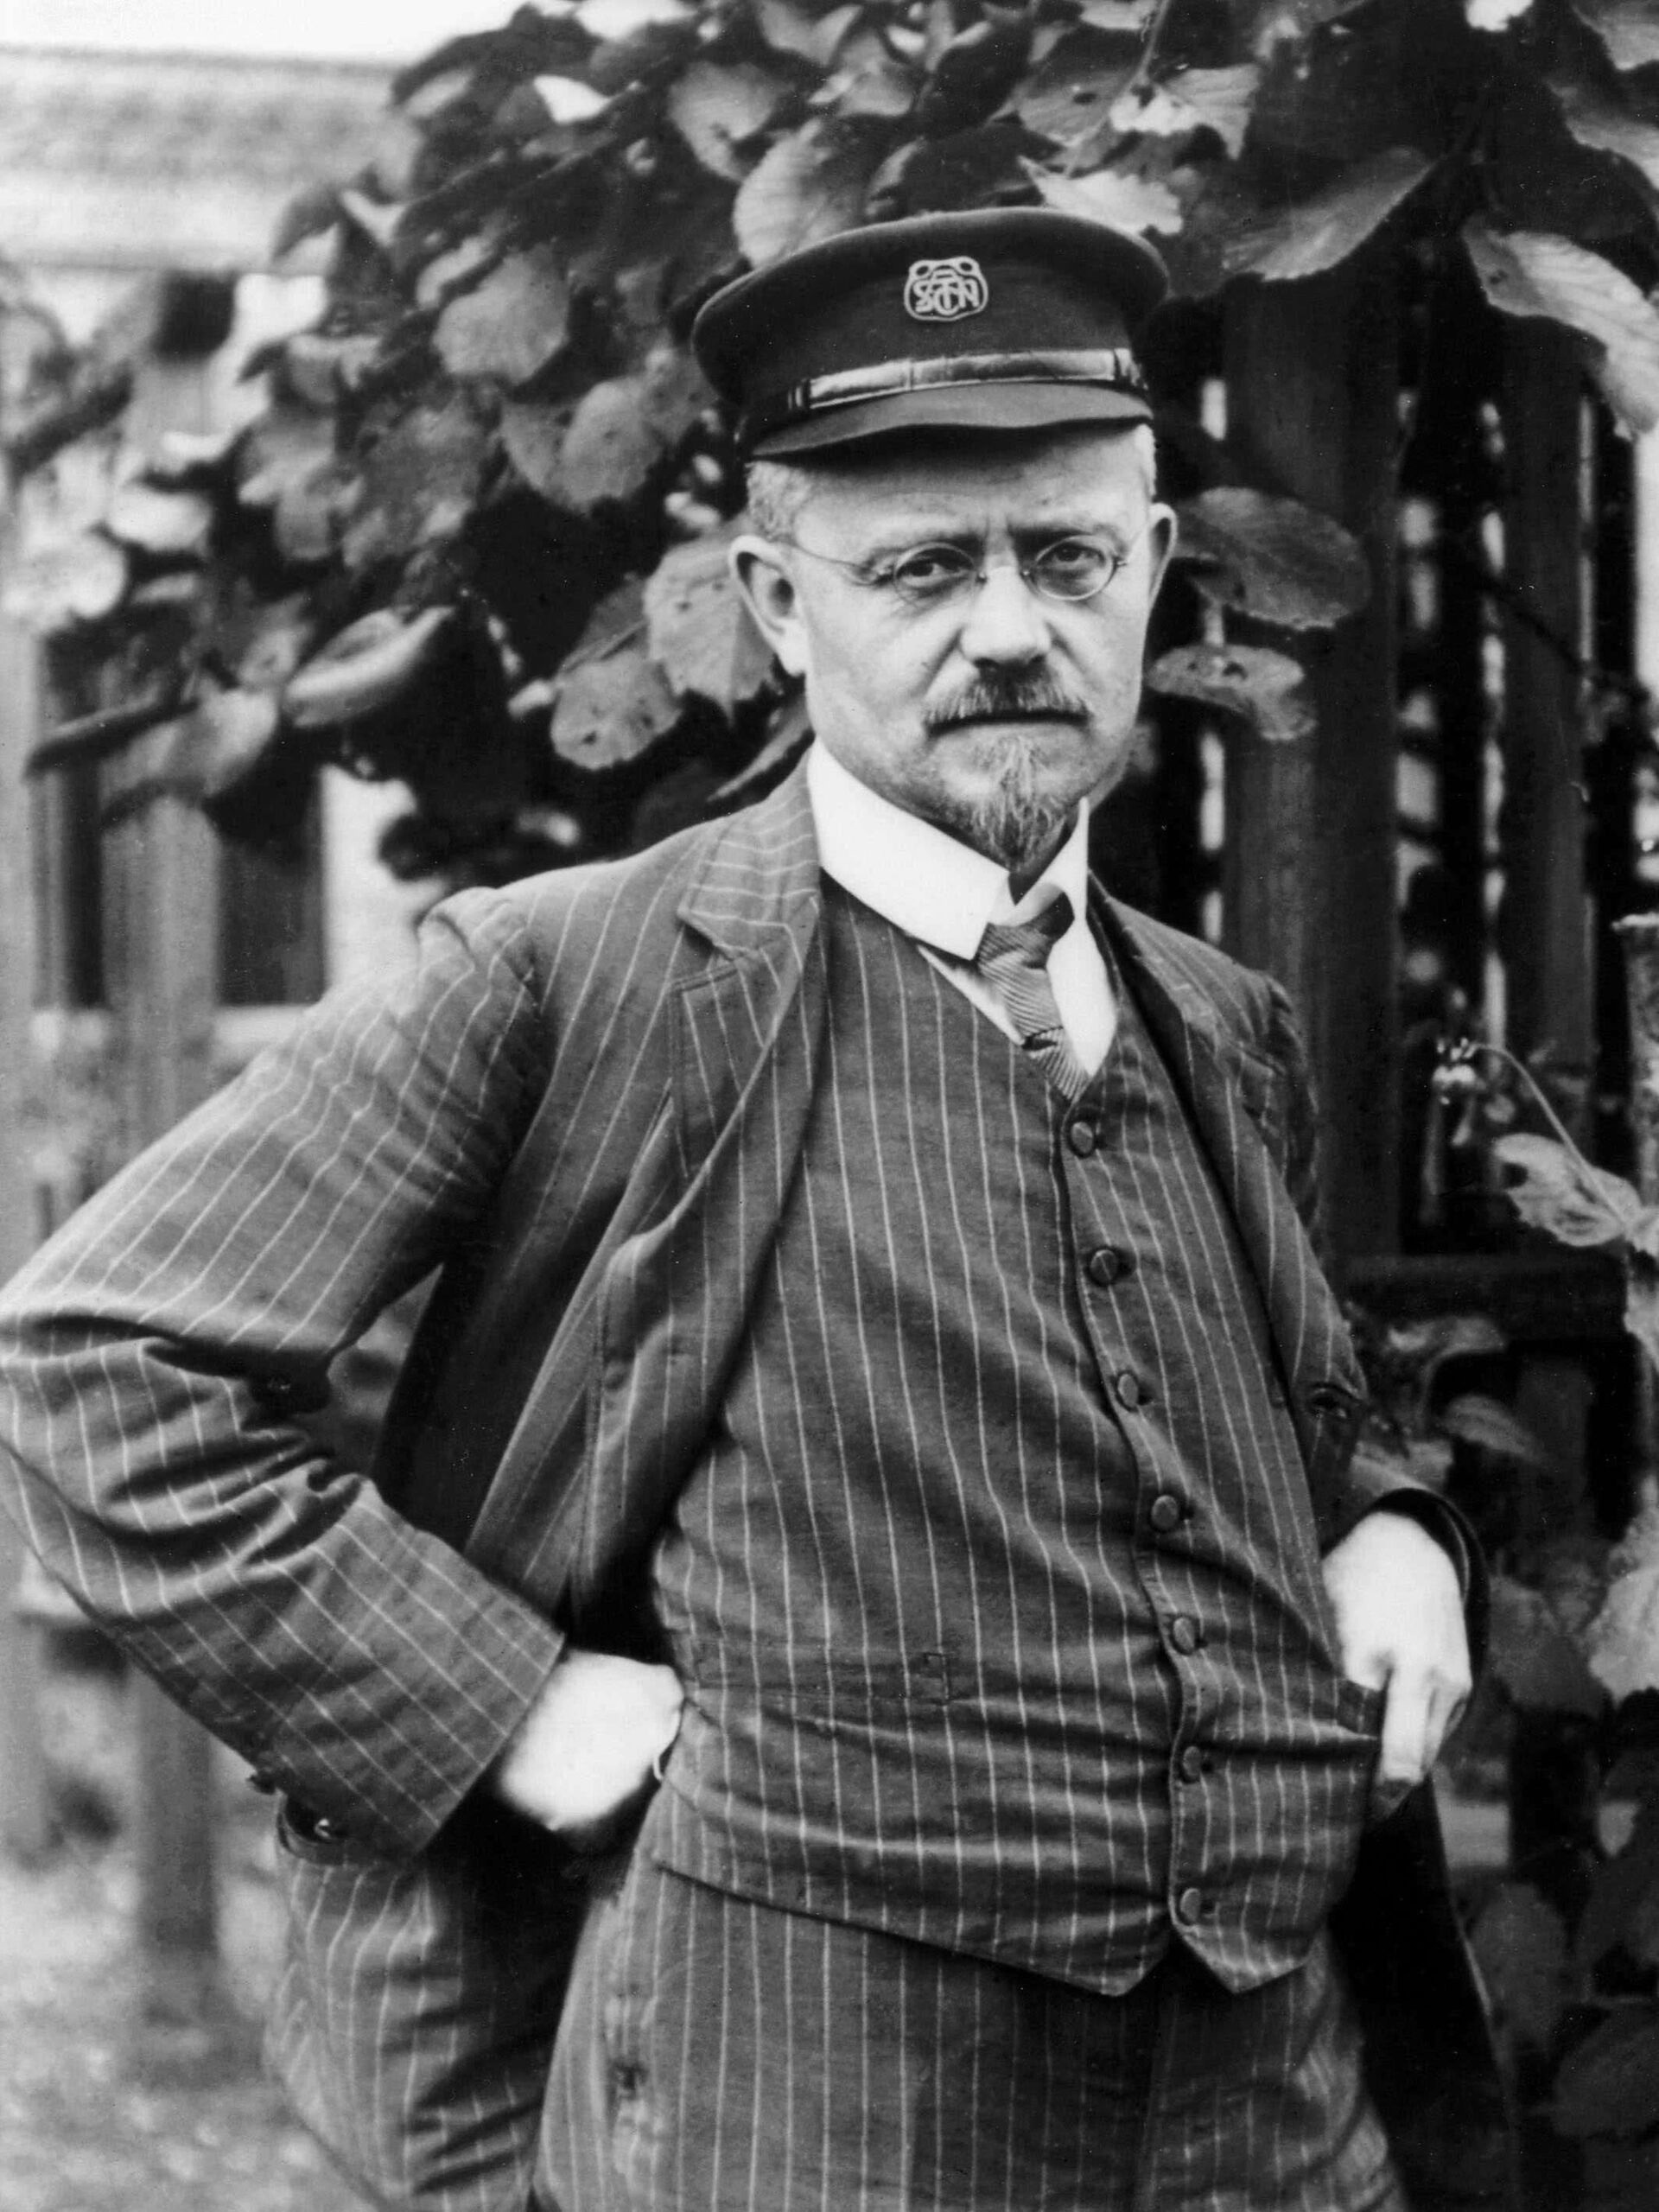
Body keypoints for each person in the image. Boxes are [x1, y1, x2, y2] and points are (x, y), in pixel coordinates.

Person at [0, 210, 1513, 2212]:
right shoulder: (565, 980)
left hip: (1271, 2106)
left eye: (1067, 559)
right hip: (798, 2102)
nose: (1008, 630)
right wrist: (496, 1701)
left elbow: (1293, 1412)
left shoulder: (1218, 1019)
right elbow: (93, 1359)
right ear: (778, 604)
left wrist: (1395, 1525)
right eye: (921, 569)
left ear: (1153, 572)